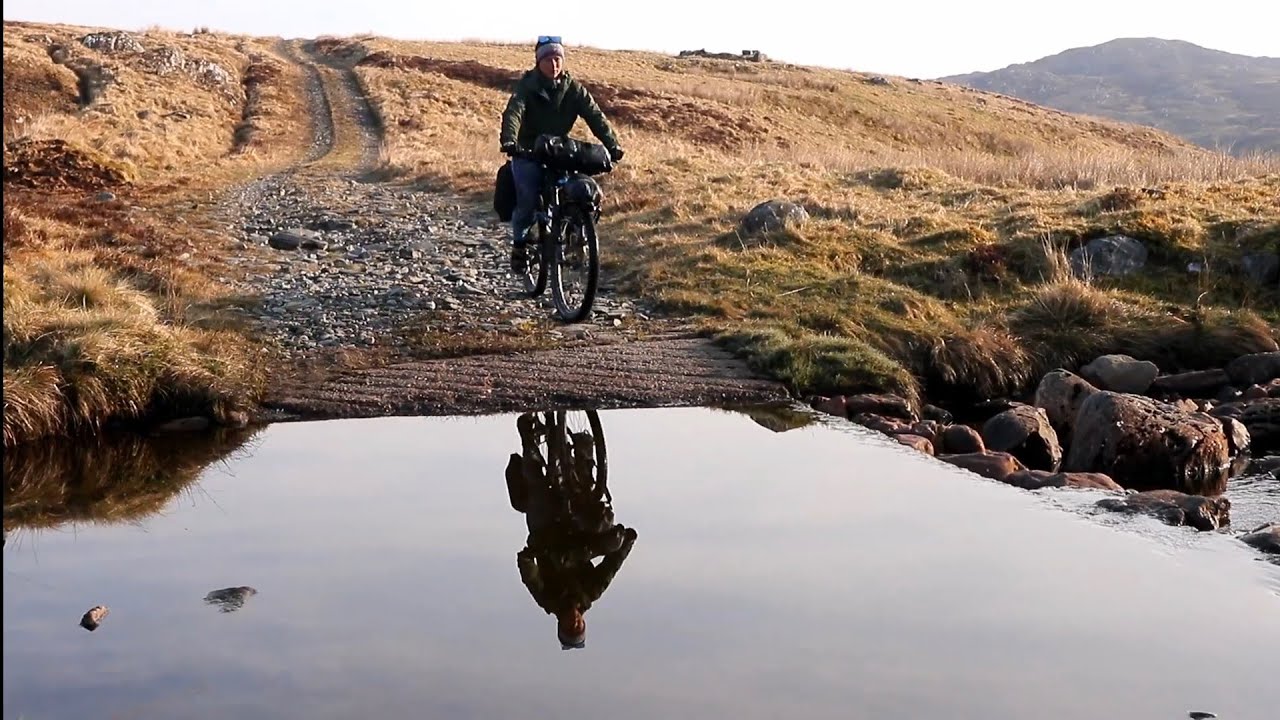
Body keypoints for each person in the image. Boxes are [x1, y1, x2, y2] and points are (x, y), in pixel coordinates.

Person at [505, 411, 637, 650]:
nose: (574, 622)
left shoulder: (548, 599)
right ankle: (584, 451)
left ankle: (529, 437)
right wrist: (626, 543)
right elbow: (610, 567)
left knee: (537, 487)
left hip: (547, 533)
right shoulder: (590, 594)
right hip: (579, 538)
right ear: (584, 623)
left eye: (569, 627)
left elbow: (530, 576)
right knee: (602, 523)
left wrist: (528, 557)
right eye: (578, 627)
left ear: (560, 625)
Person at [499, 36, 626, 273]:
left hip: (558, 150)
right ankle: (520, 245)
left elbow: (595, 116)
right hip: (528, 151)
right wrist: (510, 140)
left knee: (581, 191)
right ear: (539, 62)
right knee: (527, 196)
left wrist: (612, 145)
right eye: (548, 59)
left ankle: (575, 236)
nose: (554, 64)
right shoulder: (527, 86)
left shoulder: (573, 89)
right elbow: (514, 112)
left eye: (558, 59)